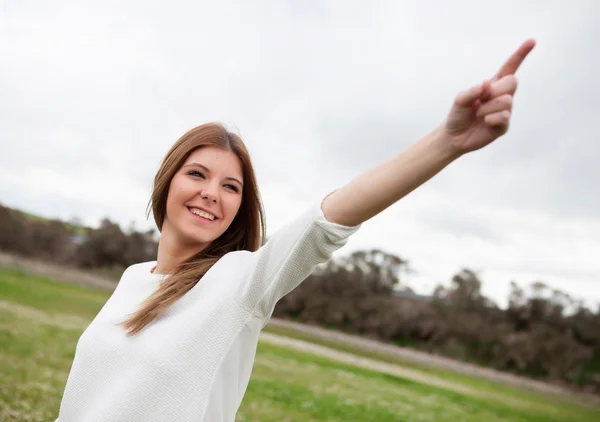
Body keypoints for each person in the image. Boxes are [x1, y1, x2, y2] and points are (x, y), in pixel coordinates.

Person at [55, 39, 536, 421]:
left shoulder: (239, 285)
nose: (211, 194)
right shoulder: (133, 278)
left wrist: (446, 143)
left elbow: (326, 221)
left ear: (239, 208)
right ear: (168, 180)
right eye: (197, 174)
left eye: (231, 187)